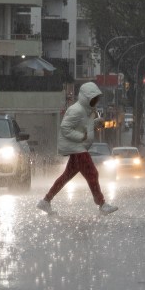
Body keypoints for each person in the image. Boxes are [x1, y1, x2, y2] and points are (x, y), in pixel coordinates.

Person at [36, 81, 119, 216]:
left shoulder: (87, 111)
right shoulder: (77, 110)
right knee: (92, 174)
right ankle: (102, 204)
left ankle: (46, 200)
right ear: (87, 98)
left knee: (66, 176)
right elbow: (65, 127)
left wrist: (96, 123)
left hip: (79, 147)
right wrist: (81, 137)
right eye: (94, 99)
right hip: (77, 147)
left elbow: (83, 126)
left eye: (96, 99)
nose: (96, 102)